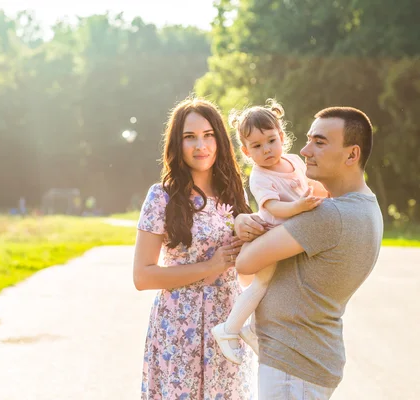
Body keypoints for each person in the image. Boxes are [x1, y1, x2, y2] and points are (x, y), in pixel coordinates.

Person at [233, 107, 383, 399]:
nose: (304, 150)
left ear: (352, 155)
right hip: (308, 357)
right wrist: (242, 219)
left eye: (320, 142)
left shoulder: (328, 216)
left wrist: (244, 223)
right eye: (308, 139)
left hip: (293, 365)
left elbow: (245, 263)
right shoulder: (366, 206)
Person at [133, 97, 263, 399]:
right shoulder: (161, 198)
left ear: (219, 140)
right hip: (179, 327)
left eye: (208, 135)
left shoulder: (235, 194)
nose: (200, 145)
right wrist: (210, 266)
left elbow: (246, 276)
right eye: (189, 137)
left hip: (227, 326)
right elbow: (142, 276)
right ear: (177, 145)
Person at [211, 99, 328, 364]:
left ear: (282, 137)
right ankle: (228, 329)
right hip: (270, 236)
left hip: (291, 234)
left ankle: (252, 328)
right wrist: (298, 206)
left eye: (271, 140)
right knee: (261, 283)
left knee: (278, 284)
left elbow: (311, 185)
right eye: (257, 146)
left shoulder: (295, 161)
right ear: (246, 151)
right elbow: (273, 207)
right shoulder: (260, 176)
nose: (266, 150)